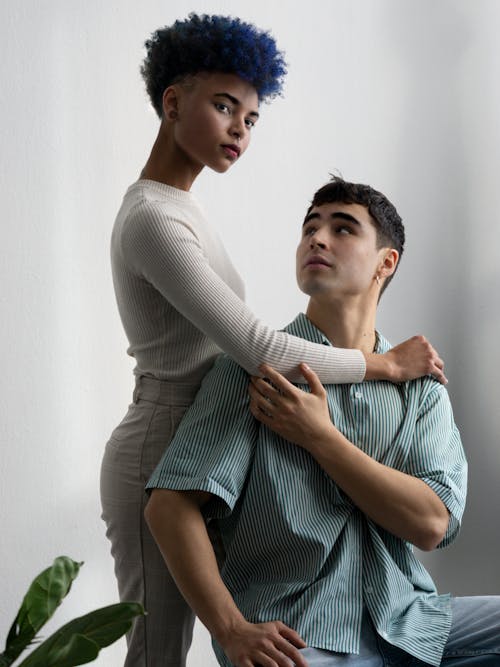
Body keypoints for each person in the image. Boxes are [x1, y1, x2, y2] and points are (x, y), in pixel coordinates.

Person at [100, 13, 447, 667]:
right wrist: (384, 364)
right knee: (157, 652)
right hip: (160, 446)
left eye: (252, 118)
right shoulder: (152, 217)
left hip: (209, 431)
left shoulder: (183, 207)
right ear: (173, 102)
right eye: (225, 105)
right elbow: (260, 346)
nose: (240, 129)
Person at [145, 176, 500, 667]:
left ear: (385, 262)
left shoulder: (417, 384)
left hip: (412, 622)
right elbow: (170, 505)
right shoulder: (254, 370)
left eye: (343, 228)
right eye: (310, 227)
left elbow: (431, 522)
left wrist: (320, 437)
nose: (317, 237)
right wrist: (231, 630)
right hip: (295, 636)